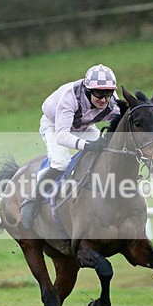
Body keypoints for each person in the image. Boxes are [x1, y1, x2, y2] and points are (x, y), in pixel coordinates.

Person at [20, 64, 122, 229]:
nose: (104, 99)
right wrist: (88, 145)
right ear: (88, 90)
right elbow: (62, 136)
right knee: (61, 162)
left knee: (106, 151)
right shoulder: (70, 97)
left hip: (84, 125)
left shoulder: (111, 98)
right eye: (98, 94)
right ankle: (32, 199)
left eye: (108, 94)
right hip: (54, 126)